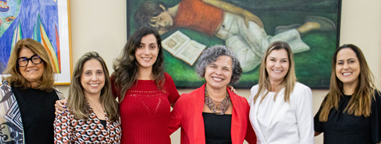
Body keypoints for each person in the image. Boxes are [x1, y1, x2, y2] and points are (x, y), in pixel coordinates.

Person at [134, 0, 335, 72]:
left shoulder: (189, 1)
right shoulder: (173, 23)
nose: (162, 24)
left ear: (162, 7)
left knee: (266, 51)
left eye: (159, 18)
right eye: (157, 24)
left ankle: (306, 27)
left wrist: (245, 14)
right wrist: (155, 27)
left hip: (236, 21)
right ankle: (280, 36)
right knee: (245, 65)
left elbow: (221, 4)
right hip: (226, 35)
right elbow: (156, 35)